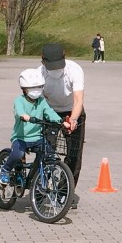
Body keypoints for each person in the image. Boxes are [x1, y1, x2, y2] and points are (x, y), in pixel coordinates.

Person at [0, 68, 70, 185]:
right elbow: (19, 111)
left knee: (49, 153)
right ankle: (5, 170)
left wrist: (61, 121)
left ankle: (45, 176)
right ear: (24, 89)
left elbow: (49, 112)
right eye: (32, 88)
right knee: (18, 154)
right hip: (21, 137)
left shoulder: (41, 101)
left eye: (39, 87)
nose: (36, 91)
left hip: (37, 138)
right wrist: (23, 115)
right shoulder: (19, 101)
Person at [39, 43, 86, 208]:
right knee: (45, 150)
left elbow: (78, 99)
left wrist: (72, 120)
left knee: (74, 153)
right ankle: (41, 187)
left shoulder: (74, 70)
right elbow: (37, 99)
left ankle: (65, 192)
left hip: (72, 111)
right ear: (43, 61)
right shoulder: (40, 73)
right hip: (49, 111)